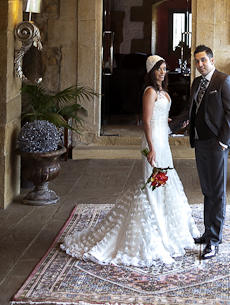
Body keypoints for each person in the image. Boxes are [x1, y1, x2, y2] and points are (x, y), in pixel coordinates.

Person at [60, 55, 198, 266]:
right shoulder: (150, 91)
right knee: (153, 182)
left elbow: (158, 117)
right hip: (153, 143)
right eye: (159, 69)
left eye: (164, 69)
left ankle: (165, 224)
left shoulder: (162, 92)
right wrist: (151, 148)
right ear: (151, 72)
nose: (162, 72)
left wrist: (171, 121)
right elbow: (145, 120)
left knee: (162, 180)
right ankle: (154, 225)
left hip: (163, 140)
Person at [189, 45, 230, 260]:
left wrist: (223, 143)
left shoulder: (224, 80)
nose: (200, 65)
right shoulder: (195, 83)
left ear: (212, 60)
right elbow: (192, 111)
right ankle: (208, 232)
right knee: (207, 189)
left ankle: (214, 240)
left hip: (216, 144)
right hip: (200, 142)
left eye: (203, 60)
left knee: (218, 192)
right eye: (197, 61)